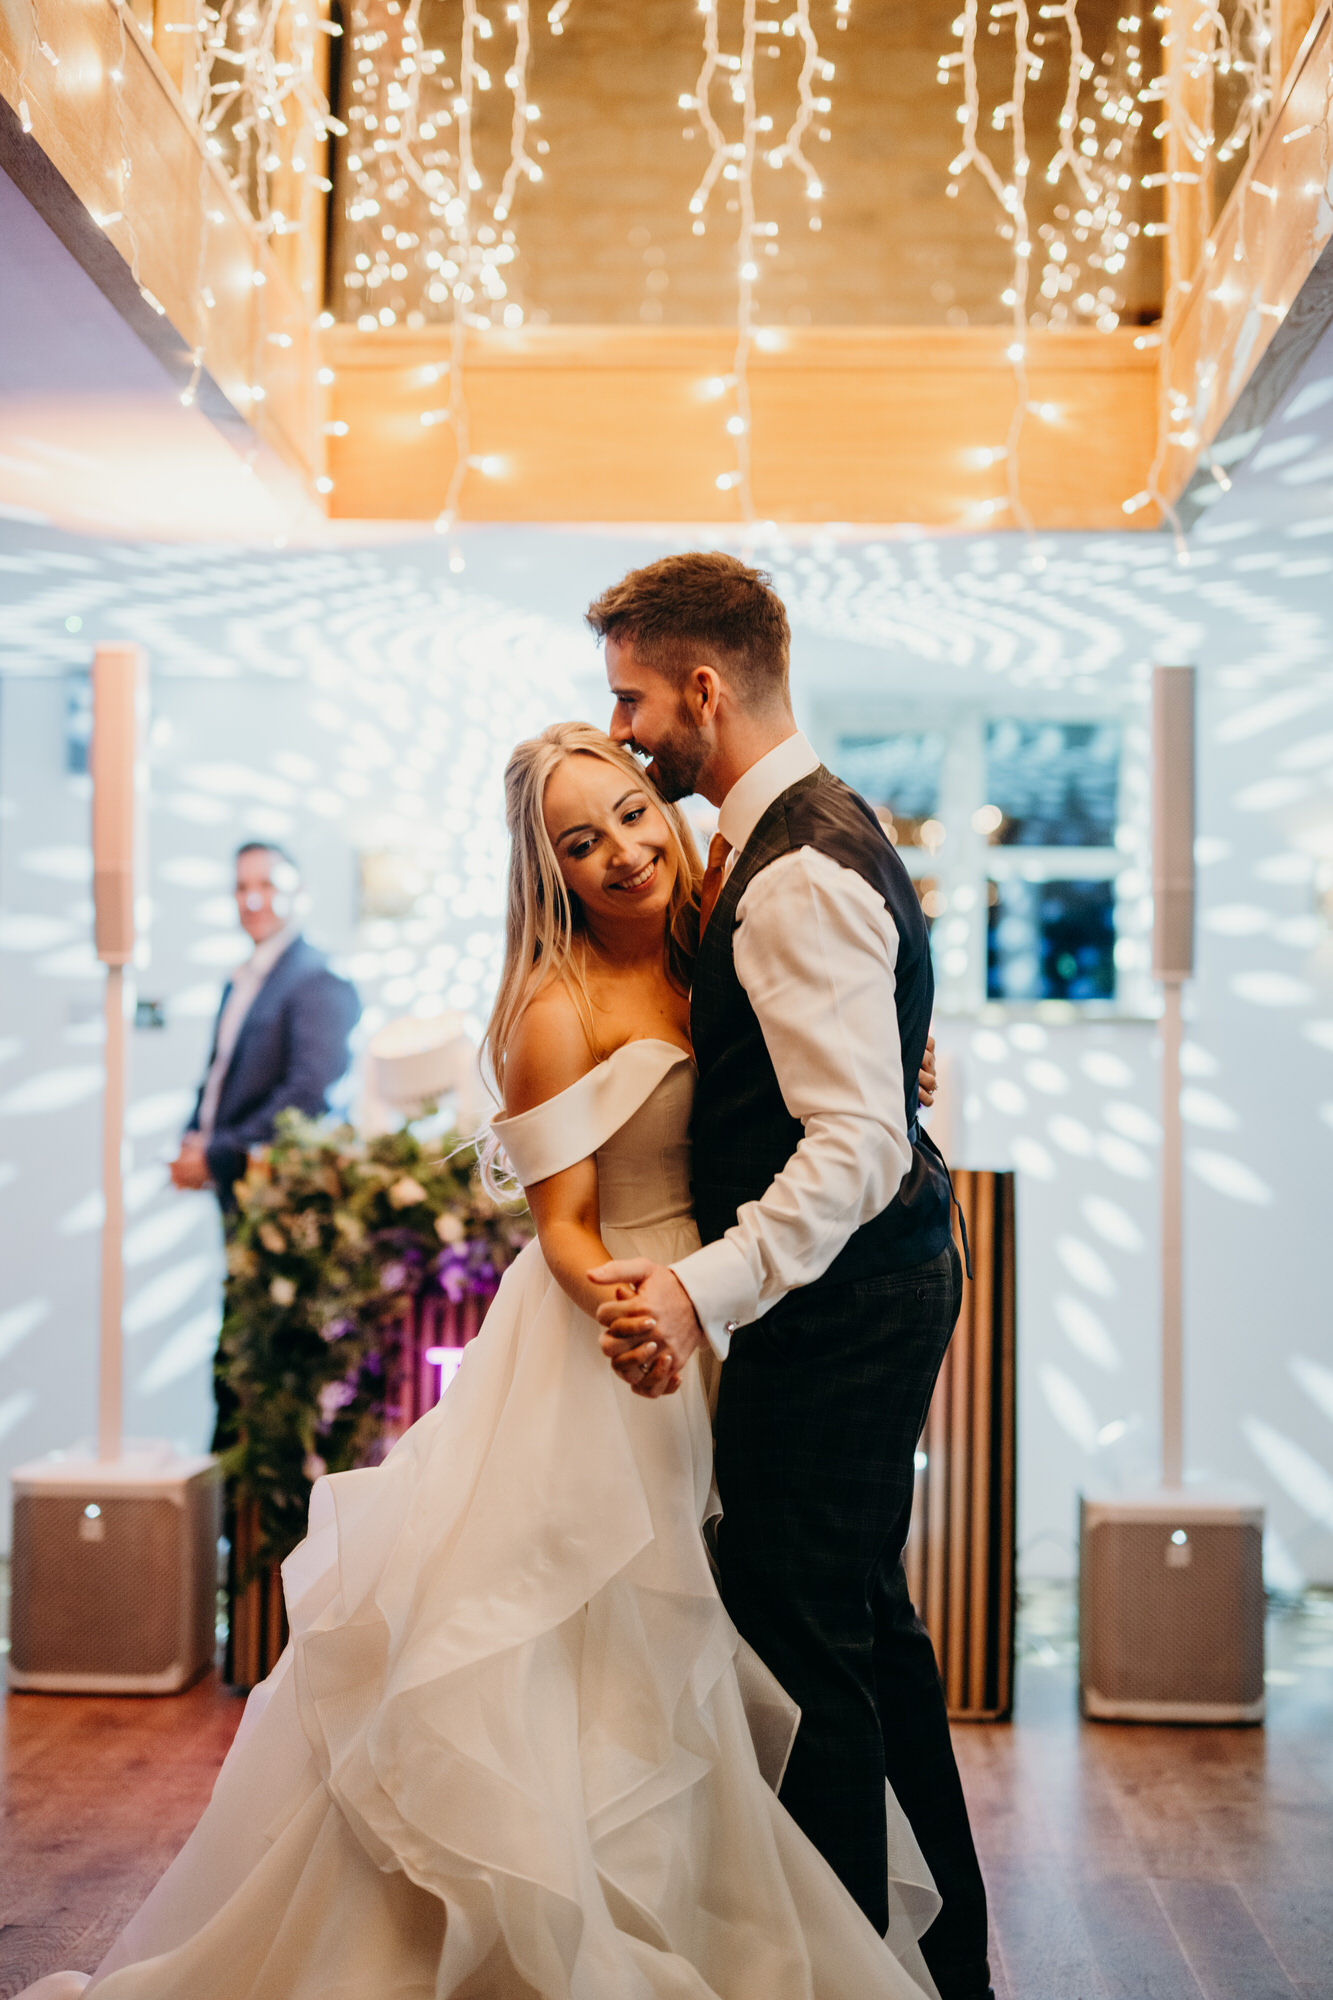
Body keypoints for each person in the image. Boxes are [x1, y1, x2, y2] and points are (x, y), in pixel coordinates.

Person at [18, 726, 941, 2000]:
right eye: (581, 841)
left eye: (631, 814)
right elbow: (560, 1226)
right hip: (616, 1342)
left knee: (739, 1641)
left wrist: (899, 1064)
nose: (622, 851)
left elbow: (819, 1061)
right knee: (598, 1659)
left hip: (732, 1315)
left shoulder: (715, 943)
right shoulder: (553, 1010)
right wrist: (637, 1315)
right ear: (547, 868)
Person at [587, 553, 994, 2000]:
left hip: (841, 1305)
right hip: (862, 1288)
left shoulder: (796, 867)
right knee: (857, 1633)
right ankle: (937, 1969)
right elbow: (862, 1090)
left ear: (703, 688)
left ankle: (842, 1976)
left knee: (800, 1646)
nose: (623, 729)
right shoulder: (805, 831)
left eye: (632, 698)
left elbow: (856, 1143)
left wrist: (702, 1287)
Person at [170, 841, 361, 1214]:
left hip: (285, 1196)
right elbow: (221, 1074)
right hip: (235, 1190)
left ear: (298, 892)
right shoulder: (240, 979)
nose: (252, 900)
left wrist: (217, 1155)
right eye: (242, 888)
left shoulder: (319, 977)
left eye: (267, 885)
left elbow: (310, 1095)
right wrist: (193, 1139)